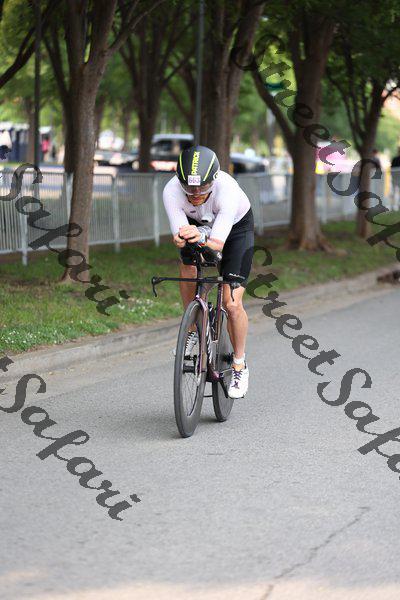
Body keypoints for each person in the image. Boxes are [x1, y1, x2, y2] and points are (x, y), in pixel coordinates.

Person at [163, 145, 254, 399]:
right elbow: (179, 237)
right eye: (188, 188)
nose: (195, 194)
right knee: (187, 262)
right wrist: (182, 238)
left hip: (234, 230)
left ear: (213, 180)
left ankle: (239, 364)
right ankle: (192, 328)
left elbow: (216, 246)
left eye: (202, 188)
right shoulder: (171, 190)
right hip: (197, 227)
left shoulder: (228, 190)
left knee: (231, 303)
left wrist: (200, 237)